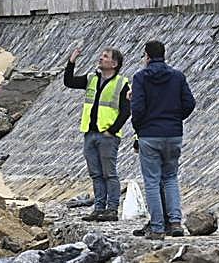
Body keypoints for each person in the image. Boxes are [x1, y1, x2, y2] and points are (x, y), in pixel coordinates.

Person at [130, 40, 195, 240]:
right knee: (170, 177)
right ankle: (175, 221)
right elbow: (189, 103)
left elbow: (138, 108)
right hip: (173, 134)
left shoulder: (140, 77)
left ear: (147, 56)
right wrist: (175, 119)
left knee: (152, 181)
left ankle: (157, 227)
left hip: (149, 134)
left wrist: (138, 127)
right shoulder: (177, 76)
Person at [64, 46, 131, 222]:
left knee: (109, 173)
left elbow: (126, 111)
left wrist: (112, 130)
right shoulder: (91, 78)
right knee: (95, 173)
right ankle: (99, 208)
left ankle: (112, 209)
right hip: (90, 133)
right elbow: (68, 81)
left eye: (105, 56)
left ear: (114, 63)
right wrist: (72, 61)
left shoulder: (122, 83)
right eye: (101, 55)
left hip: (107, 135)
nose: (100, 58)